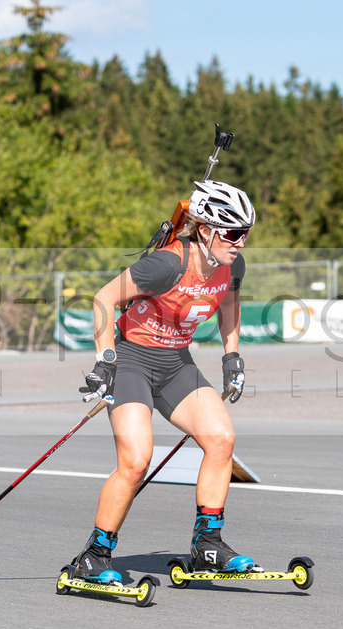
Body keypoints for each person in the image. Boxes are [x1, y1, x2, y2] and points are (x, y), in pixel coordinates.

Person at [70, 179, 256, 584]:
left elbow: (229, 304)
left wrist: (232, 355)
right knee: (136, 461)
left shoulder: (230, 266)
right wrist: (105, 360)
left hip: (176, 365)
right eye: (234, 233)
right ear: (205, 231)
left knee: (221, 438)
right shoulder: (168, 263)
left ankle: (207, 545)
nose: (241, 242)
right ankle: (94, 554)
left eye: (246, 234)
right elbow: (104, 298)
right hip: (133, 362)